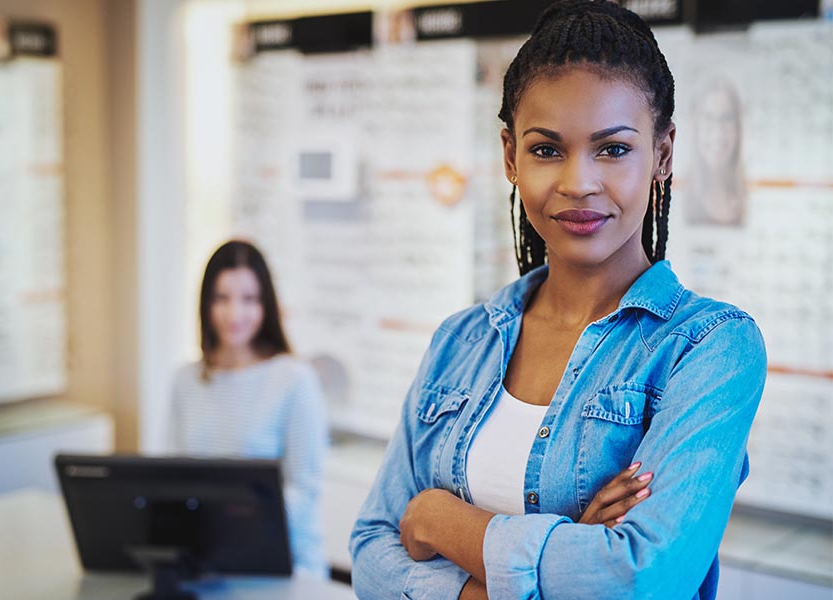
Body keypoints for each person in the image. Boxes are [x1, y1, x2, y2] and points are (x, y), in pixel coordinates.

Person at [350, 2, 766, 599]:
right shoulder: (460, 340)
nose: (578, 182)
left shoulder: (709, 348)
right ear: (510, 157)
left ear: (663, 155)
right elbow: (370, 553)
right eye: (547, 149)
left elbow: (640, 577)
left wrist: (439, 520)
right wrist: (563, 547)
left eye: (613, 149)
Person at [168, 240, 328, 578]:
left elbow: (304, 489)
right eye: (221, 298)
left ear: (265, 305)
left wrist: (233, 525)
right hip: (205, 561)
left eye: (249, 299)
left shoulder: (295, 380)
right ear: (205, 304)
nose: (234, 314)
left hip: (281, 563)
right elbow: (173, 474)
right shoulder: (186, 380)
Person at [684, 78, 748, 226]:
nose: (718, 133)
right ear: (695, 125)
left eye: (726, 119)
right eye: (708, 118)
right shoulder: (677, 196)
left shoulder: (752, 198)